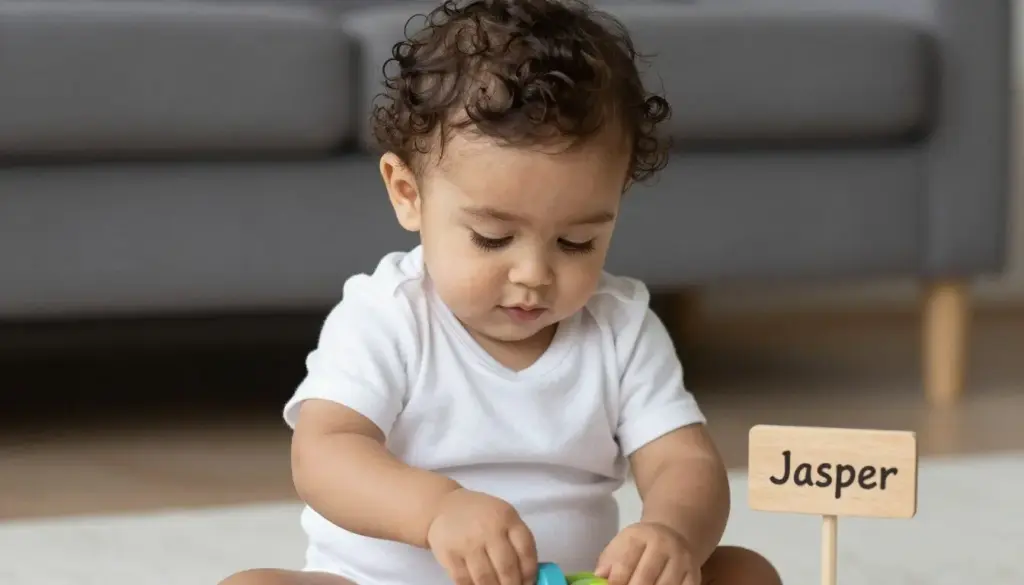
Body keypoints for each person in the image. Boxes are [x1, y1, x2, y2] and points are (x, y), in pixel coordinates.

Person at [220, 1, 782, 584]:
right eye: (493, 239)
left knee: (745, 572)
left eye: (576, 242)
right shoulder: (385, 316)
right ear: (408, 193)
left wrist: (671, 534)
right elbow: (324, 455)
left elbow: (682, 461)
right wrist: (436, 510)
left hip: (573, 580)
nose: (534, 274)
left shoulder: (622, 326)